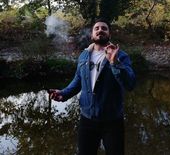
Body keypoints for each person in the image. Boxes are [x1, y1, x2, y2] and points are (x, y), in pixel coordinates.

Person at [49, 18, 136, 155]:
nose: (100, 30)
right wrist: (64, 93)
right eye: (97, 28)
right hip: (87, 120)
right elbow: (78, 80)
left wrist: (115, 63)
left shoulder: (121, 56)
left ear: (109, 34)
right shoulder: (84, 55)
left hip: (112, 121)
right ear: (92, 35)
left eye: (104, 28)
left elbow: (130, 84)